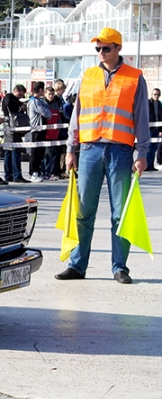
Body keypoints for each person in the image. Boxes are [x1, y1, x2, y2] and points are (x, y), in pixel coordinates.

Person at [56, 27, 150, 285]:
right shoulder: (88, 75)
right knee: (83, 211)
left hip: (120, 151)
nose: (101, 53)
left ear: (118, 48)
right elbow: (77, 114)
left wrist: (142, 153)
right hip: (89, 150)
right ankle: (77, 265)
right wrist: (70, 149)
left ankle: (120, 267)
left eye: (106, 48)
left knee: (120, 213)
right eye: (97, 48)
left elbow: (142, 117)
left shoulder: (134, 78)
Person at [1, 84, 27, 183]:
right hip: (11, 126)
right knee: (15, 151)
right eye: (20, 94)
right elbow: (8, 103)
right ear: (15, 91)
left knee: (8, 151)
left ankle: (9, 175)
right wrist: (20, 105)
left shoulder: (13, 99)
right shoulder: (9, 97)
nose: (21, 97)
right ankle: (16, 175)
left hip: (10, 126)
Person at [26, 82, 51, 182]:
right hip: (36, 129)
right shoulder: (34, 102)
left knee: (40, 152)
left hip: (41, 129)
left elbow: (47, 112)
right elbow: (46, 113)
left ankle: (38, 171)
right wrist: (45, 113)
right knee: (35, 152)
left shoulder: (40, 101)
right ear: (40, 90)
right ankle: (33, 172)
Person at [148, 88, 161, 171]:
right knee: (148, 148)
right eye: (155, 94)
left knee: (154, 148)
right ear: (152, 95)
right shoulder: (147, 103)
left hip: (157, 128)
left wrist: (161, 130)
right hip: (149, 128)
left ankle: (151, 165)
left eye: (158, 94)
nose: (156, 96)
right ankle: (146, 165)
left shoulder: (160, 104)